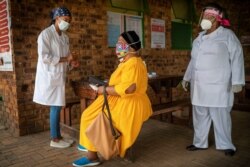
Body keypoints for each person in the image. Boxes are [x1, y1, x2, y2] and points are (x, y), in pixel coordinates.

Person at [73, 31, 152, 166]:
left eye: (121, 43)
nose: (117, 46)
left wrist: (103, 89)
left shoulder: (134, 64)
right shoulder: (126, 62)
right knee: (88, 114)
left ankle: (92, 156)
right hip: (119, 99)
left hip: (129, 103)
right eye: (117, 42)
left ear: (132, 47)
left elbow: (129, 88)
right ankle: (90, 143)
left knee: (97, 119)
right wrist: (106, 85)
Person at [182, 3, 245, 156]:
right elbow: (194, 60)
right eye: (204, 16)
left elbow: (237, 57)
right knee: (200, 115)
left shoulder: (227, 35)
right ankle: (199, 142)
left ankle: (226, 144)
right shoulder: (198, 39)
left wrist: (237, 81)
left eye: (209, 16)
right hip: (199, 86)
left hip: (218, 86)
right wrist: (187, 77)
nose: (205, 18)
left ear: (217, 19)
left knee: (221, 116)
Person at [33, 7, 79, 148]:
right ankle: (55, 139)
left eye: (69, 21)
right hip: (50, 77)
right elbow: (45, 57)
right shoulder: (45, 34)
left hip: (59, 77)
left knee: (58, 106)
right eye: (65, 20)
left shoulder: (65, 37)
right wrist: (67, 59)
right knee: (56, 107)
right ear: (56, 18)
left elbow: (67, 58)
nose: (67, 23)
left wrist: (72, 63)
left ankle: (58, 136)